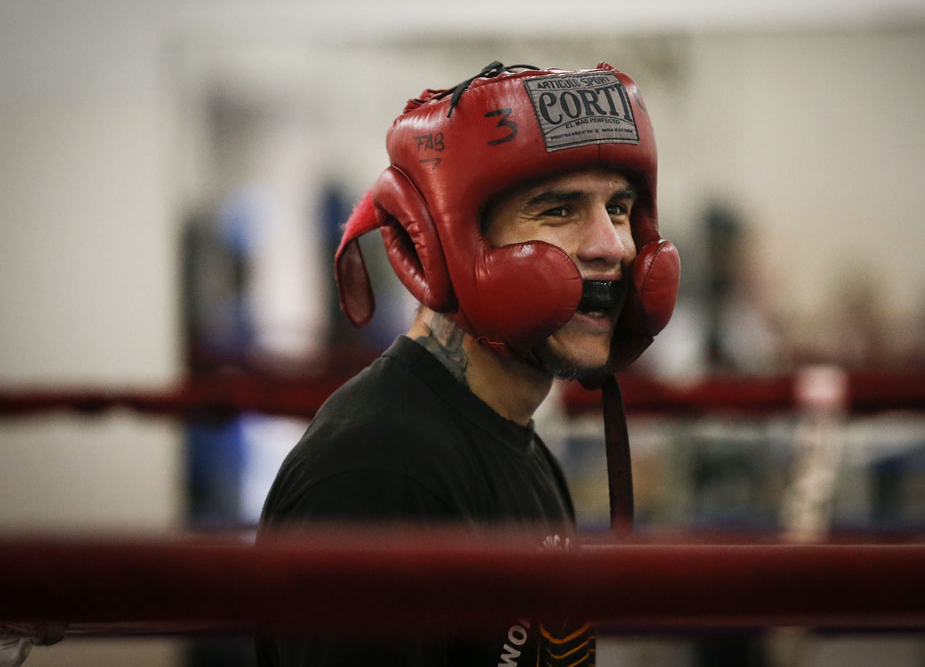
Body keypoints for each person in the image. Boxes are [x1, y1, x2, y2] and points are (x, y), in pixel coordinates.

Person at [255, 62, 680, 667]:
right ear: (443, 247)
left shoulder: (521, 448)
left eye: (618, 208)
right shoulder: (375, 473)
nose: (612, 245)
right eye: (558, 211)